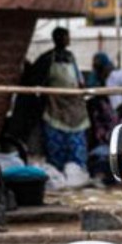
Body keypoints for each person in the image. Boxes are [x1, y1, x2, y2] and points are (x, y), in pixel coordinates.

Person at [28, 27, 90, 185]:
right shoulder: (48, 58)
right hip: (55, 107)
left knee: (76, 145)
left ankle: (76, 175)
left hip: (75, 108)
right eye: (66, 36)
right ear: (59, 38)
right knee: (56, 144)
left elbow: (79, 80)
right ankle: (58, 176)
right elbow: (37, 80)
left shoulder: (71, 57)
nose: (68, 39)